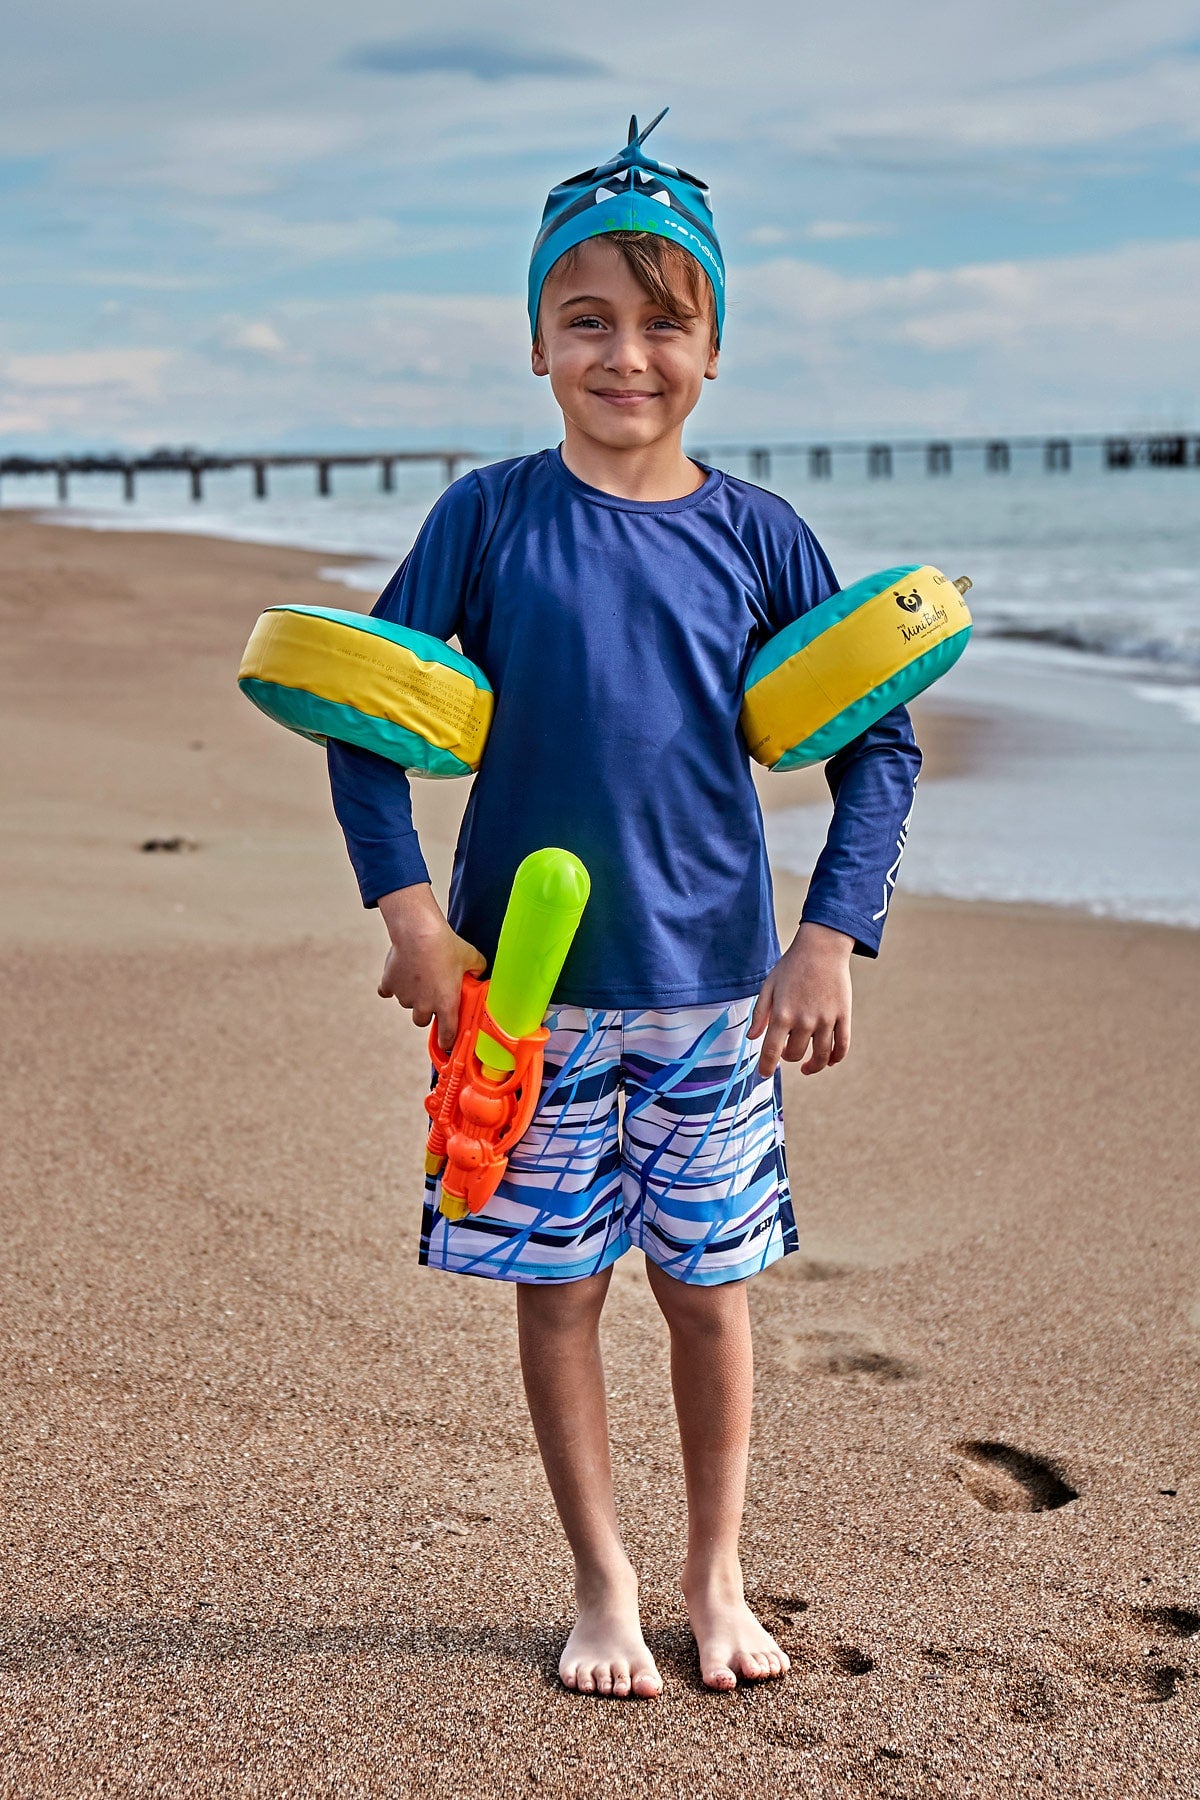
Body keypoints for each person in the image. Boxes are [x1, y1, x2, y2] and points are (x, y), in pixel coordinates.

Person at [328, 110, 921, 1700]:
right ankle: (602, 1583)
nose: (626, 354)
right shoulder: (488, 518)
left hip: (718, 994)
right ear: (536, 341)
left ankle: (717, 1579)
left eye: (665, 320)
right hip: (518, 1002)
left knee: (707, 1295)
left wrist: (827, 935)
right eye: (587, 318)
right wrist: (406, 917)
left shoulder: (759, 536)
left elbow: (882, 743)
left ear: (713, 346)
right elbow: (365, 727)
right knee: (561, 1292)